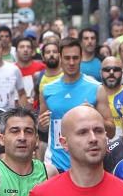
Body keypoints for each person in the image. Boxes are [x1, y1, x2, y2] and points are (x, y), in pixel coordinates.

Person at [39, 37, 114, 171]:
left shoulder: (96, 88)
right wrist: (41, 125)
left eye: (75, 58)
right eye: (67, 58)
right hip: (55, 164)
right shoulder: (47, 89)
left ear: (81, 58)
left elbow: (112, 131)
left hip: (88, 165)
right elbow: (42, 127)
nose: (71, 62)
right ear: (60, 58)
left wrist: (96, 116)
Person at [101, 57, 123, 141]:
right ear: (100, 72)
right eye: (107, 69)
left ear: (122, 73)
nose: (111, 72)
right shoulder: (94, 93)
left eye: (116, 69)